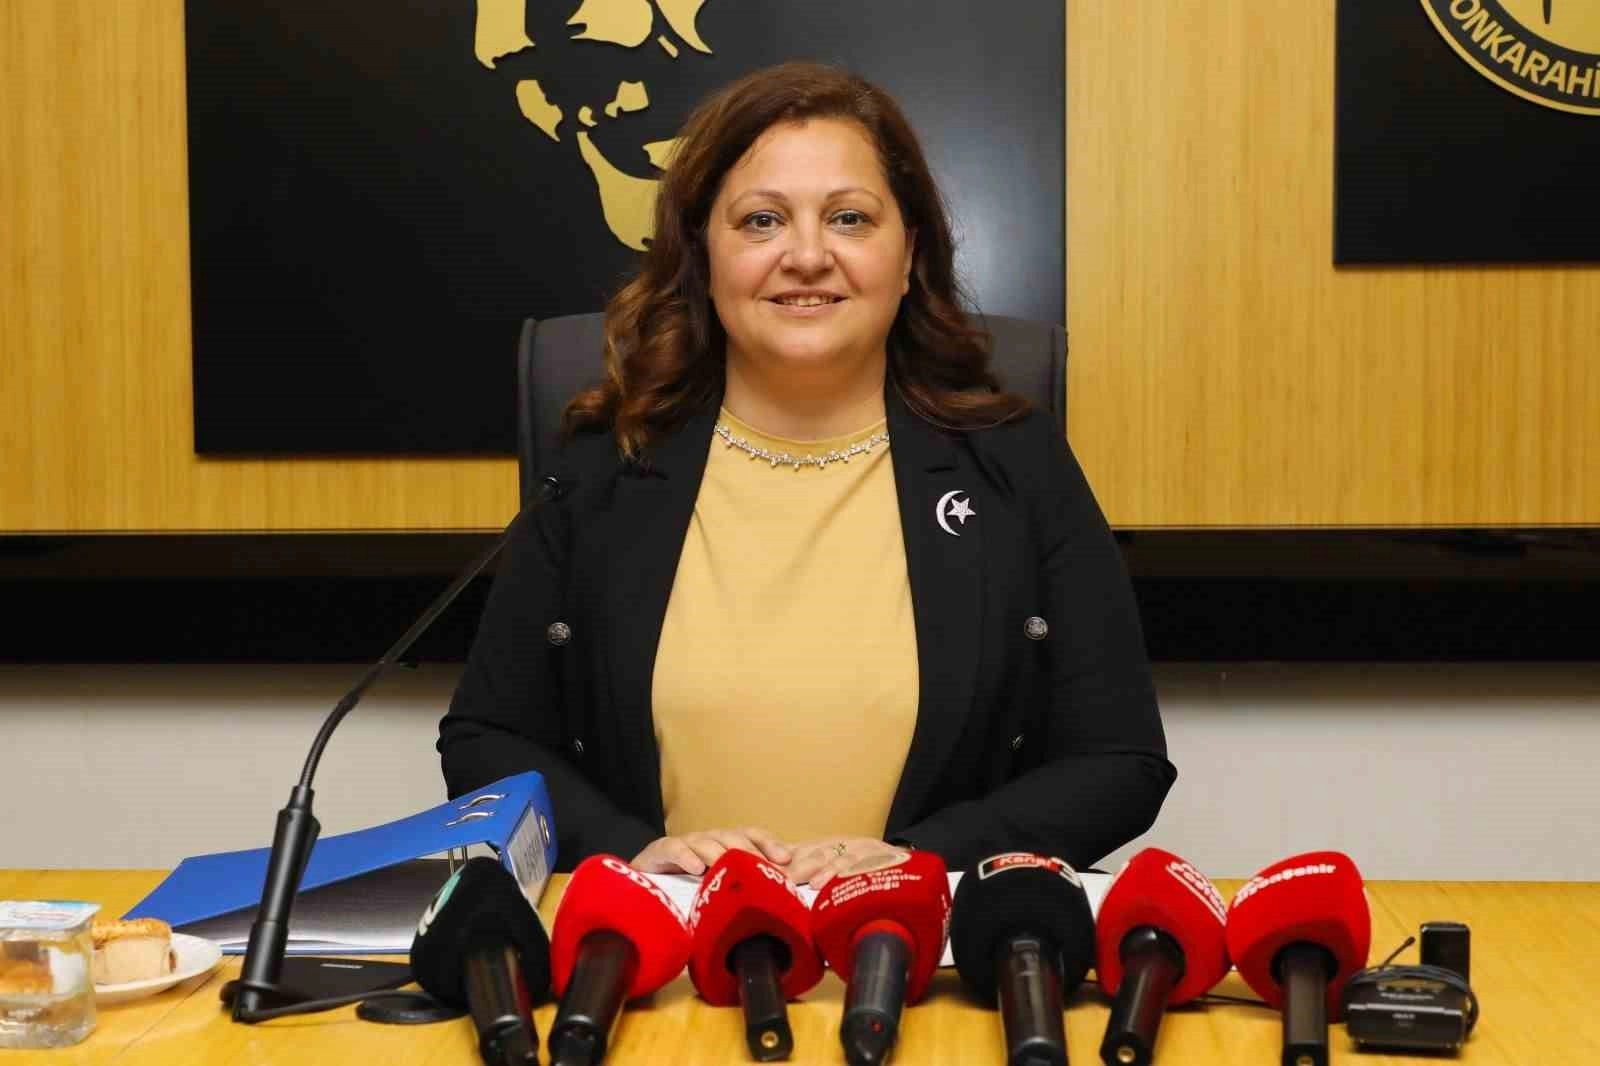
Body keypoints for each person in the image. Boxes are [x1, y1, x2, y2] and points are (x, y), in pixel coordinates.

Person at [438, 61, 1174, 889]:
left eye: (850, 218)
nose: (808, 256)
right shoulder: (604, 465)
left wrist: (929, 859)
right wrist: (630, 853)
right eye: (762, 221)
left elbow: (1120, 761)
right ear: (702, 256)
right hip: (663, 945)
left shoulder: (1015, 462)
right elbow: (485, 741)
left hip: (927, 944)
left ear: (909, 254)